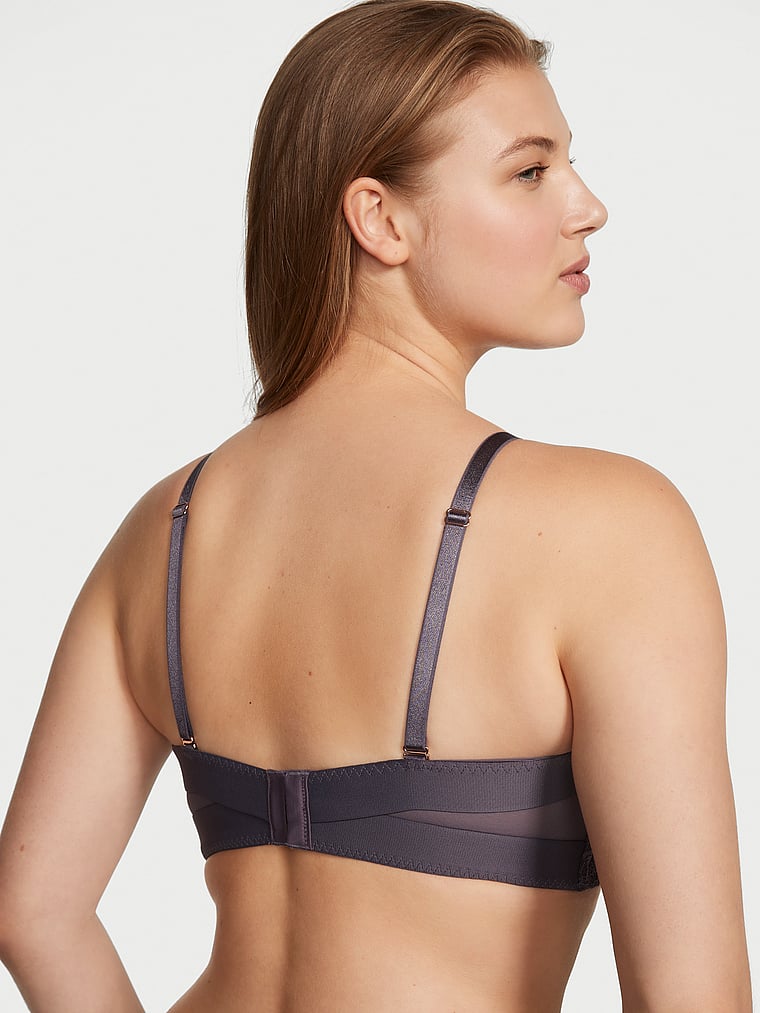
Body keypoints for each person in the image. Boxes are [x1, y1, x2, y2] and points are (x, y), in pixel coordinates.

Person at [0, 0, 752, 1009]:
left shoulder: (164, 527)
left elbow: (33, 907)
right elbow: (691, 995)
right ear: (380, 219)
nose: (588, 206)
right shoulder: (609, 526)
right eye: (530, 171)